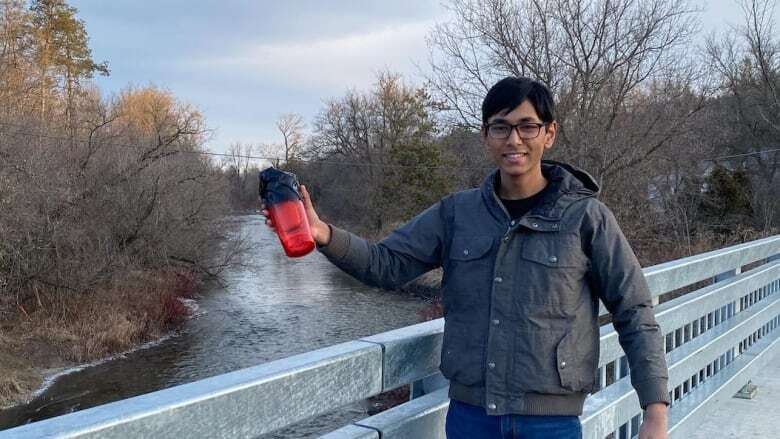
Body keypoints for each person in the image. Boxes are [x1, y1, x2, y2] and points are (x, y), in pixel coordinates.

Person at [261, 77, 670, 439]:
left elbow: (633, 310)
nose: (514, 140)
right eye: (501, 127)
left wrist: (655, 410)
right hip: (472, 418)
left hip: (551, 423)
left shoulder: (586, 218)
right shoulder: (456, 214)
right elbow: (385, 264)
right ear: (485, 136)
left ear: (549, 134)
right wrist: (323, 234)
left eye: (527, 126)